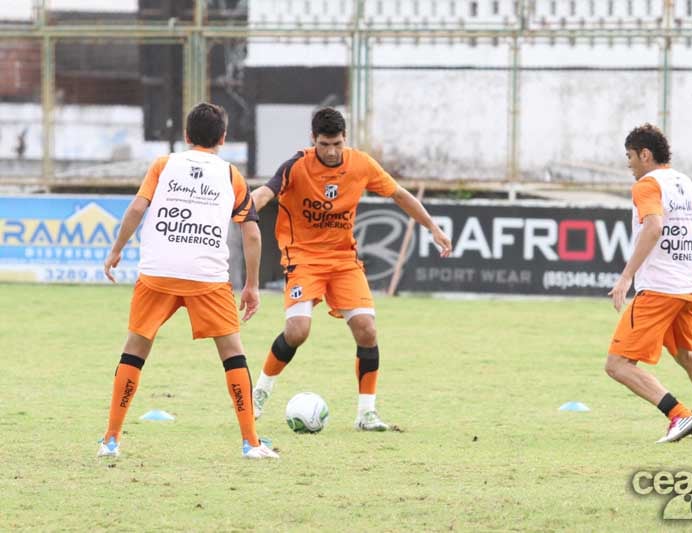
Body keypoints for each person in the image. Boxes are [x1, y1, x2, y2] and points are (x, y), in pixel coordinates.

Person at [249, 107, 452, 430]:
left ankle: (366, 413)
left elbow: (399, 195)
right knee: (298, 332)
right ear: (313, 140)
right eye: (325, 144)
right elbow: (265, 191)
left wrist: (432, 227)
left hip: (343, 260)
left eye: (337, 144)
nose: (331, 152)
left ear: (345, 140)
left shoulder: (361, 164)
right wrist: (246, 209)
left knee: (367, 330)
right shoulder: (296, 165)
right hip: (303, 257)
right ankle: (260, 391)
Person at [98, 102, 278, 459]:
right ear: (223, 139)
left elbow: (136, 208)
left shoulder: (163, 164)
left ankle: (110, 440)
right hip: (206, 276)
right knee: (232, 353)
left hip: (157, 271)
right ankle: (250, 443)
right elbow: (252, 234)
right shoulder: (231, 174)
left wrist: (116, 250)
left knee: (135, 348)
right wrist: (252, 285)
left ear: (185, 136)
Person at [605, 123, 692, 443]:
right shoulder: (685, 183)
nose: (629, 165)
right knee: (685, 354)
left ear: (645, 154)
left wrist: (626, 277)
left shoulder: (647, 185)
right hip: (688, 288)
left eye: (630, 157)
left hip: (660, 289)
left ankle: (679, 415)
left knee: (618, 365)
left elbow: (653, 227)